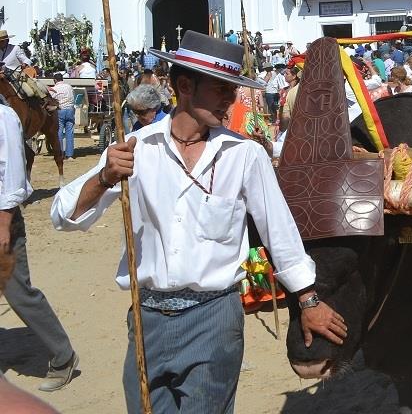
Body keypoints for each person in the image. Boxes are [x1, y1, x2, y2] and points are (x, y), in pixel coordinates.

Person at [50, 32, 346, 413]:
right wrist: (104, 177)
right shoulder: (133, 150)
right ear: (185, 86)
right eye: (222, 88)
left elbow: (281, 234)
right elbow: (63, 215)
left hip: (215, 319)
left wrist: (309, 300)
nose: (231, 99)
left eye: (233, 89)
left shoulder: (246, 156)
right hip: (147, 318)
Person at [1, 95, 80, 392]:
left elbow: (11, 174)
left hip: (1, 218)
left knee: (17, 291)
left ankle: (63, 356)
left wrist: (4, 224)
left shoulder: (4, 115)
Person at [50, 73, 75, 160]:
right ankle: (70, 155)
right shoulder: (69, 86)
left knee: (59, 132)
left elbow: (50, 99)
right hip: (70, 110)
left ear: (55, 80)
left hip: (60, 110)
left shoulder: (54, 88)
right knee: (70, 132)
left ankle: (60, 153)